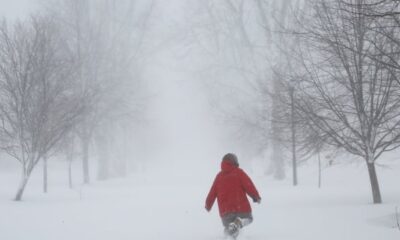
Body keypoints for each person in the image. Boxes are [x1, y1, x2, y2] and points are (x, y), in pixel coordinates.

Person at [205, 153, 261, 238]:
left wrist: (208, 205)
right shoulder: (239, 173)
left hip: (225, 212)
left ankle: (228, 234)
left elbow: (212, 192)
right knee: (249, 219)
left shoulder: (219, 177)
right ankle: (240, 222)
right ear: (234, 162)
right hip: (241, 208)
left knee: (230, 228)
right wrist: (256, 196)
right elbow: (249, 185)